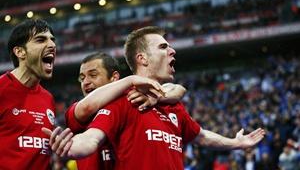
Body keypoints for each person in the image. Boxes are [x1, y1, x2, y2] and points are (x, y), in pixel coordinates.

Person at [44, 26, 265, 170]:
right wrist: (71, 146)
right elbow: (92, 138)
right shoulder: (123, 100)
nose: (172, 51)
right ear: (142, 58)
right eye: (163, 47)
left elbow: (201, 135)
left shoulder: (173, 105)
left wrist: (236, 143)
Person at [63, 52, 187, 170]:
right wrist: (130, 80)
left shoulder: (131, 100)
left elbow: (176, 88)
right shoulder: (77, 111)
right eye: (82, 78)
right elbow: (87, 107)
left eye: (93, 75)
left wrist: (158, 97)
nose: (86, 82)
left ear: (114, 77)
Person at [0, 19, 56, 170]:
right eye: (40, 40)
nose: (52, 45)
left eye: (52, 40)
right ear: (20, 52)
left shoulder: (48, 98)